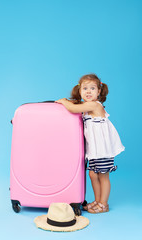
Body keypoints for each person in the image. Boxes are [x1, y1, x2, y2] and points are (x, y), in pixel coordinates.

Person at [55, 74, 125, 214]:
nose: (88, 91)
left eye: (92, 88)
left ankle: (103, 204)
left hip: (103, 150)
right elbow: (77, 108)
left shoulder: (94, 105)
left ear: (98, 92)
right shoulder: (86, 107)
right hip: (94, 150)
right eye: (85, 88)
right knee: (93, 175)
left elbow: (73, 109)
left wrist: (63, 101)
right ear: (80, 91)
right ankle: (97, 201)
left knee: (103, 176)